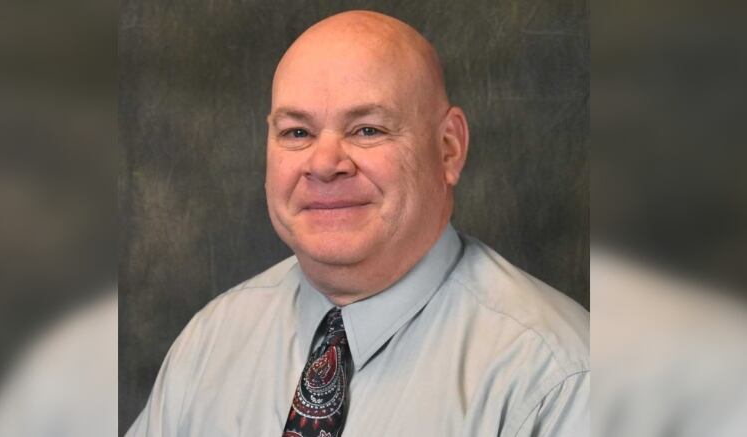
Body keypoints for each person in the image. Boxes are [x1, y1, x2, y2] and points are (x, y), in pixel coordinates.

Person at [126, 10, 589, 437]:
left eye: (367, 129)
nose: (324, 164)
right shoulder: (209, 343)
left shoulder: (557, 380)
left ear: (449, 148)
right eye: (297, 132)